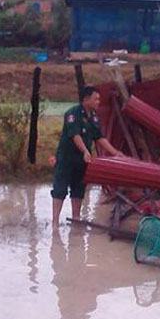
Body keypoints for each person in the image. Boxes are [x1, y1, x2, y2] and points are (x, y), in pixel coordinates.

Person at [51, 86, 122, 226]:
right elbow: (75, 135)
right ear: (86, 99)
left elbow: (99, 137)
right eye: (96, 99)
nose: (98, 102)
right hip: (66, 158)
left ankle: (76, 219)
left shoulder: (94, 117)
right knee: (60, 189)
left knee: (78, 189)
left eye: (99, 99)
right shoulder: (72, 114)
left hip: (82, 160)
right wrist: (85, 150)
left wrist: (115, 153)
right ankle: (55, 223)